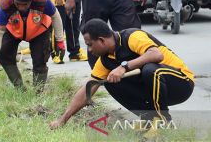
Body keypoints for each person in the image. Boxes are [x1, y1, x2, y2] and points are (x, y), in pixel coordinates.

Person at [50, 19, 194, 137]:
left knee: (151, 71)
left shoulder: (132, 37)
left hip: (180, 83)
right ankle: (148, 120)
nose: (89, 50)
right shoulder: (105, 60)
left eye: (90, 45)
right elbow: (87, 89)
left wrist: (124, 67)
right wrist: (62, 120)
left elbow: (156, 55)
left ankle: (162, 121)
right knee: (110, 81)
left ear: (101, 40)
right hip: (157, 90)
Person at [0, 0, 65, 91]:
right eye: (18, 4)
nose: (22, 8)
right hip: (13, 30)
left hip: (39, 30)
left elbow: (56, 16)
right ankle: (20, 89)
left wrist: (60, 41)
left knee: (40, 60)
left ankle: (38, 92)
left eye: (25, 4)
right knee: (4, 55)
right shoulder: (6, 3)